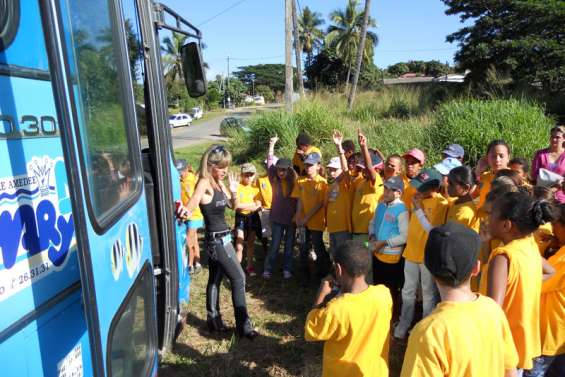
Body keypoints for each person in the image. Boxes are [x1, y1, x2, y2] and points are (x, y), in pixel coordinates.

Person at [400, 222, 518, 377]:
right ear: (476, 268)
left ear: (428, 268)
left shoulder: (428, 333)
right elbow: (510, 370)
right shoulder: (493, 309)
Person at [179, 144, 258, 339]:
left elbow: (234, 205)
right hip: (217, 242)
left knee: (214, 279)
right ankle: (243, 327)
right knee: (239, 278)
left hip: (224, 238)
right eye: (221, 167)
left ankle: (213, 319)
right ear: (211, 165)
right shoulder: (204, 182)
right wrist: (184, 211)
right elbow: (193, 201)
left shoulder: (218, 182)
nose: (225, 171)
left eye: (226, 167)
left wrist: (232, 191)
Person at [483, 192, 555, 371]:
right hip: (520, 341)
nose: (487, 218)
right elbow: (550, 272)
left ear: (506, 225)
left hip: (501, 345)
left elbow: (494, 310)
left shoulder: (503, 257)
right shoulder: (528, 245)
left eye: (491, 214)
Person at [304, 240, 392, 377]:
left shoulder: (337, 309)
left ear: (338, 269)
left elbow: (312, 331)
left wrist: (321, 296)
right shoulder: (384, 294)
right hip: (376, 372)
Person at [394, 168, 449, 339]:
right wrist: (416, 206)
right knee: (408, 290)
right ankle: (404, 324)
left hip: (427, 256)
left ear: (433, 188)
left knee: (428, 293)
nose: (417, 191)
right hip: (411, 251)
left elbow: (432, 231)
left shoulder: (441, 204)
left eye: (421, 188)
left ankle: (424, 330)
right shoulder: (416, 199)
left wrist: (418, 209)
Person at [525, 203, 565, 376]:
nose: (552, 230)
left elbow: (536, 281)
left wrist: (529, 245)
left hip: (549, 336)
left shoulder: (563, 258)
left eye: (555, 225)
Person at [369, 176, 408, 315]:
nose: (385, 192)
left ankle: (391, 315)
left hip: (392, 258)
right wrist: (372, 235)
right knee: (378, 285)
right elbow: (372, 223)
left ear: (399, 193)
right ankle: (379, 314)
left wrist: (384, 242)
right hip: (377, 253)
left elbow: (404, 236)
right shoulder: (380, 205)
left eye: (390, 190)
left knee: (390, 290)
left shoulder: (402, 210)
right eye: (385, 188)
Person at [291, 152, 329, 285]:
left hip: (316, 223)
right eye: (306, 165)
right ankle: (305, 276)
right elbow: (300, 200)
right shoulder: (300, 181)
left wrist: (306, 218)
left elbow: (319, 204)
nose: (308, 168)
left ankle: (323, 274)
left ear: (318, 166)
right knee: (302, 247)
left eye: (311, 165)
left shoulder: (323, 183)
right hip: (303, 222)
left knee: (318, 247)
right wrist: (298, 217)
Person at [263, 136, 298, 279]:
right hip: (277, 218)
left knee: (289, 247)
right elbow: (270, 161)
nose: (280, 172)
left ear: (289, 170)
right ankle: (268, 268)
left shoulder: (296, 182)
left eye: (283, 170)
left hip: (291, 219)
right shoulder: (274, 179)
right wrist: (271, 145)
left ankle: (287, 269)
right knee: (275, 245)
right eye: (279, 170)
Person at [350, 130, 383, 244]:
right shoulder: (361, 182)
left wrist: (363, 147)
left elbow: (370, 170)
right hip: (356, 231)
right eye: (361, 168)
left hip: (367, 233)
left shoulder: (376, 180)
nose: (363, 170)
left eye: (364, 168)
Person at [234, 162, 264, 276]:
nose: (249, 177)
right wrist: (252, 206)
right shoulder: (237, 186)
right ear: (242, 175)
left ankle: (249, 266)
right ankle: (236, 269)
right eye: (246, 175)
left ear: (254, 175)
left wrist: (245, 205)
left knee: (251, 242)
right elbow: (236, 207)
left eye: (251, 174)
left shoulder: (255, 188)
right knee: (239, 243)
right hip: (241, 217)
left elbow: (258, 205)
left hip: (253, 217)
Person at [326, 131, 353, 253]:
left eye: (334, 170)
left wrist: (339, 147)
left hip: (343, 229)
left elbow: (346, 168)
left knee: (343, 257)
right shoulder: (331, 185)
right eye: (330, 170)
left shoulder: (346, 183)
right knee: (335, 257)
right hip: (332, 228)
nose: (331, 172)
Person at [178, 159, 202, 274]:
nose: (180, 173)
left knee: (188, 239)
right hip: (184, 214)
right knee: (194, 239)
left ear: (187, 168)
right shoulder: (178, 180)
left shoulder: (193, 179)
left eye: (182, 171)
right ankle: (197, 262)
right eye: (178, 171)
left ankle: (189, 265)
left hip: (195, 215)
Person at [476, 140, 511, 209]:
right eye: (493, 156)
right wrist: (478, 171)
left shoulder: (515, 178)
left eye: (501, 156)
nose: (497, 160)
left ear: (508, 158)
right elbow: (472, 196)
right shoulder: (484, 177)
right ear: (487, 158)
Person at [446, 166, 480, 232]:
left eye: (451, 184)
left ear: (466, 188)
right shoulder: (456, 201)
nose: (447, 186)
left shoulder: (465, 213)